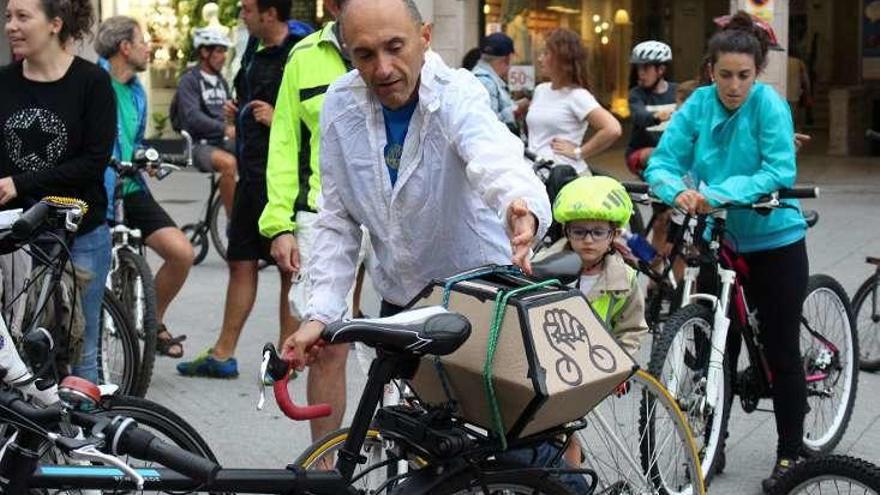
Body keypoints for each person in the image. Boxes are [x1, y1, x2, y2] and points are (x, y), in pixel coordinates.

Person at [282, 0, 550, 447]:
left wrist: (517, 206)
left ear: (424, 38)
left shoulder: (457, 93)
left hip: (479, 300)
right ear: (347, 53)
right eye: (365, 55)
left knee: (520, 451)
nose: (383, 68)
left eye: (395, 47)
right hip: (404, 302)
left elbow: (493, 156)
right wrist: (323, 313)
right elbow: (338, 219)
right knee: (416, 448)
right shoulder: (339, 106)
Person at [644, 12, 810, 492]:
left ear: (756, 73)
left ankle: (790, 454)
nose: (733, 86)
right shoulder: (697, 103)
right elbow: (664, 162)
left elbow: (779, 169)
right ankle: (713, 442)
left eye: (743, 75)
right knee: (713, 350)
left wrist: (717, 192)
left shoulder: (770, 106)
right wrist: (678, 191)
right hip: (720, 239)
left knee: (781, 350)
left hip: (774, 240)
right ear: (710, 71)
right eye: (724, 75)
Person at [177, 0, 309, 378]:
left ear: (270, 13)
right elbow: (250, 95)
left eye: (248, 9)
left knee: (288, 268)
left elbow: (318, 113)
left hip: (283, 179)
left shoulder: (299, 51)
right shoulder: (252, 48)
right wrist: (238, 112)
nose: (242, 16)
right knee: (240, 262)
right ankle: (223, 355)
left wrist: (281, 115)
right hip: (250, 173)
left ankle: (285, 362)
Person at [1, 0, 116, 382]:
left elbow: (93, 161)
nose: (11, 26)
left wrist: (21, 183)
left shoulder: (92, 83)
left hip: (79, 234)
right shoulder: (4, 82)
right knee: (17, 352)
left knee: (80, 351)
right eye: (8, 17)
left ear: (54, 23)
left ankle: (84, 439)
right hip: (16, 240)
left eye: (22, 17)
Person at [256, 0, 352, 443]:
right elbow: (283, 142)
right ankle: (326, 466)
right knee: (328, 342)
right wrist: (279, 222)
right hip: (325, 211)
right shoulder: (305, 57)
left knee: (414, 340)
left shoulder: (407, 47)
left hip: (398, 216)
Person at [96, 16, 195, 358]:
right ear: (124, 47)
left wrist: (146, 158)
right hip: (97, 191)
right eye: (142, 41)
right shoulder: (93, 81)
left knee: (181, 252)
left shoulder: (137, 90)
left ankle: (154, 320)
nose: (148, 47)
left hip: (131, 187)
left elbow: (133, 141)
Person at [551, 175, 648, 466]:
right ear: (566, 231)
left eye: (598, 232)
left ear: (614, 234)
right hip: (551, 361)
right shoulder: (544, 266)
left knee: (563, 431)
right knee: (555, 431)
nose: (588, 240)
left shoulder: (625, 280)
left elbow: (631, 328)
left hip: (593, 365)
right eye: (579, 232)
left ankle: (570, 482)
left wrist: (620, 367)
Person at [526, 28, 621, 175]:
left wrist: (579, 152)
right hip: (536, 174)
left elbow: (612, 129)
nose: (540, 59)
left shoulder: (577, 96)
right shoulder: (540, 90)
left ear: (562, 59)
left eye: (546, 53)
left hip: (565, 177)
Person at [171, 27, 237, 216]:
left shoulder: (221, 81)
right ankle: (234, 224)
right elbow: (192, 117)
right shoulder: (189, 81)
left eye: (225, 51)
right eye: (219, 51)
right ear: (204, 52)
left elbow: (226, 114)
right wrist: (225, 129)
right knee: (229, 164)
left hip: (222, 141)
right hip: (199, 145)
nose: (224, 56)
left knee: (258, 155)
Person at [625, 40, 676, 178]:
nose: (641, 73)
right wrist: (656, 117)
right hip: (640, 153)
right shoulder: (636, 94)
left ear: (661, 70)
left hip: (672, 153)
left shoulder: (677, 92)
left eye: (646, 68)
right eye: (639, 68)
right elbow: (639, 115)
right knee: (658, 153)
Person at [472, 32, 528, 132]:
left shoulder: (477, 77)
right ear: (507, 59)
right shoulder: (486, 82)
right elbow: (488, 123)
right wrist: (516, 109)